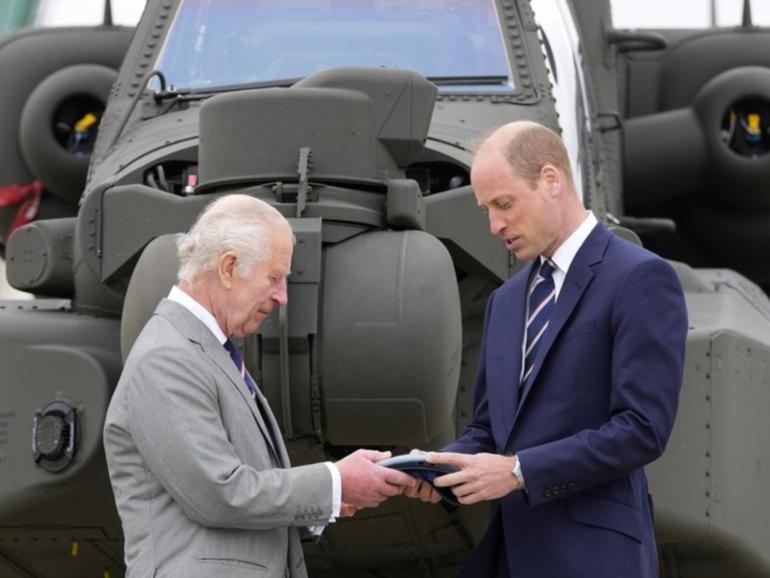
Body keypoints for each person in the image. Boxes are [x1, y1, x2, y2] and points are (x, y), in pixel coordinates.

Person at [405, 121, 688, 578]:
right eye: (486, 210)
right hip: (509, 554)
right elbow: (488, 430)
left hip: (596, 558)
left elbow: (642, 428)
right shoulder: (506, 300)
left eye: (504, 204)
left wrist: (519, 471)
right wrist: (441, 470)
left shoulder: (639, 278)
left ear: (551, 180)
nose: (495, 225)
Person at [103, 194, 416, 577]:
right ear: (229, 267)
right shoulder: (167, 358)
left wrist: (334, 497)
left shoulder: (207, 353)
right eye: (274, 277)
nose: (283, 296)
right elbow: (218, 495)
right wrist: (334, 483)